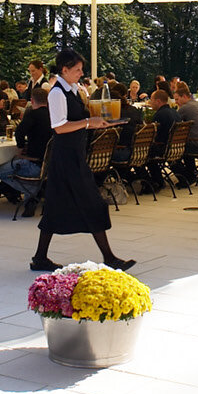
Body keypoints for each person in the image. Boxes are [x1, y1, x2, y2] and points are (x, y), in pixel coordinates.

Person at [31, 49, 134, 272]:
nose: (81, 73)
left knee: (55, 208)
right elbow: (59, 127)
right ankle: (109, 257)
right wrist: (88, 122)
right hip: (66, 157)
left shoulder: (73, 90)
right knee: (93, 203)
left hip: (73, 155)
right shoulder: (57, 93)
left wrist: (99, 121)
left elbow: (80, 120)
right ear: (64, 70)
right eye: (77, 70)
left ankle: (40, 257)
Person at [1, 86, 54, 217]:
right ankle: (32, 195)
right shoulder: (53, 115)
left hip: (33, 164)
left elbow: (19, 132)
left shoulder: (33, 115)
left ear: (32, 100)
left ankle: (31, 193)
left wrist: (20, 148)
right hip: (49, 165)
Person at [170, 82, 198, 188]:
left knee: (171, 151)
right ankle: (191, 173)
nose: (176, 103)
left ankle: (185, 177)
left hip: (196, 144)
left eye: (177, 99)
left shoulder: (185, 108)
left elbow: (173, 123)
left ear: (184, 96)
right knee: (184, 145)